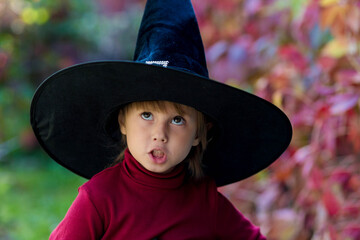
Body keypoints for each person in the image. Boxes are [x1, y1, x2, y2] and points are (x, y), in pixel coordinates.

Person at [30, 0, 292, 239]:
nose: (160, 133)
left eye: (177, 120)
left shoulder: (205, 201)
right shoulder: (99, 199)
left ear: (200, 134)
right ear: (122, 122)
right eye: (146, 115)